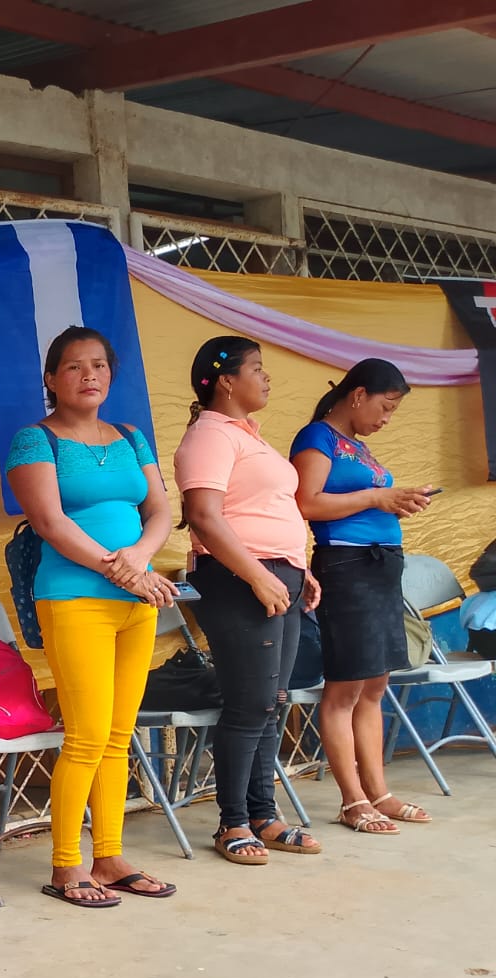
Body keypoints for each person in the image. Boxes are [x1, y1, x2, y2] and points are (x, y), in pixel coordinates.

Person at [5, 325, 179, 909]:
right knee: (84, 736)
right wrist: (125, 571)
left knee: (118, 735)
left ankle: (109, 857)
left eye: (100, 365)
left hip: (138, 600)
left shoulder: (131, 436)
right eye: (75, 366)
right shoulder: (35, 441)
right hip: (75, 599)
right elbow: (51, 523)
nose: (89, 375)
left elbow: (161, 511)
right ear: (51, 379)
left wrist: (140, 559)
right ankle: (66, 865)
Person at [175, 336, 322, 864]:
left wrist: (300, 569)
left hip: (278, 576)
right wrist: (259, 575)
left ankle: (264, 813)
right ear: (226, 381)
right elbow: (205, 516)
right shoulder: (211, 435)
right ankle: (232, 822)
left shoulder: (249, 435)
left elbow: (267, 509)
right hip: (240, 580)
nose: (266, 377)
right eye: (256, 368)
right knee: (250, 703)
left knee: (272, 701)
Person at [292, 357, 433, 832]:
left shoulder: (358, 447)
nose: (387, 418)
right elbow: (308, 502)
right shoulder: (318, 438)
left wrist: (399, 500)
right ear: (357, 395)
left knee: (374, 686)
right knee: (346, 688)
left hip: (380, 566)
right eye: (386, 406)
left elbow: (367, 500)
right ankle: (353, 800)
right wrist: (377, 498)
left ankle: (380, 793)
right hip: (347, 567)